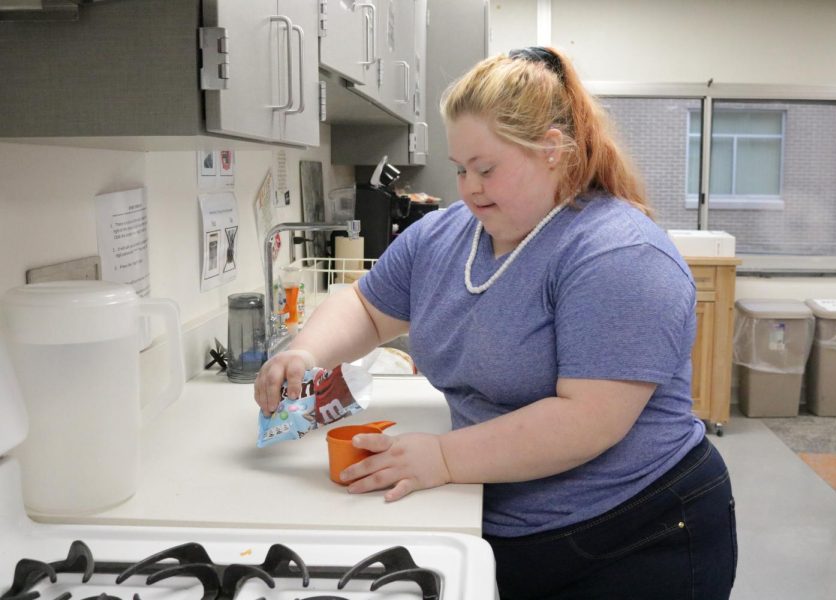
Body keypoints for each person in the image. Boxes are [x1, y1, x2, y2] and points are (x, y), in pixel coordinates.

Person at [255, 46, 737, 600]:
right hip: (504, 515)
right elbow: (367, 306)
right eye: (461, 169)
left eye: (486, 169)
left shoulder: (617, 254)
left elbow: (588, 421)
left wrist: (442, 457)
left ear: (551, 150)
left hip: (635, 533)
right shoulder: (445, 236)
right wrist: (306, 351)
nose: (468, 188)